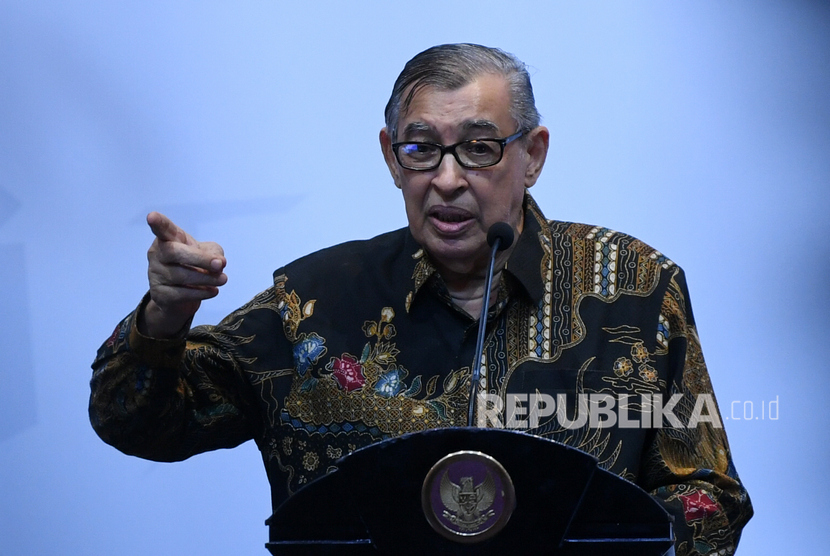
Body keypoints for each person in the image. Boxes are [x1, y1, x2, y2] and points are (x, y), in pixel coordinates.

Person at [90, 43, 752, 554]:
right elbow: (140, 424)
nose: (447, 179)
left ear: (535, 155)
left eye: (479, 147)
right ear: (390, 156)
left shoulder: (632, 285)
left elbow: (706, 495)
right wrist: (167, 315)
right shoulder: (312, 303)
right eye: (422, 148)